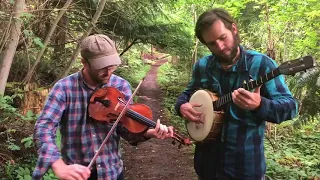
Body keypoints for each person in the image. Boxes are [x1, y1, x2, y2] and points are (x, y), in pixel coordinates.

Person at [175, 8, 298, 180]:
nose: (220, 47)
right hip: (207, 165)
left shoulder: (262, 64)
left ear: (234, 29)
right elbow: (186, 94)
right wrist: (182, 106)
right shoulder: (202, 66)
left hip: (246, 168)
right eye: (211, 43)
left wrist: (260, 105)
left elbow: (291, 107)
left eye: (222, 37)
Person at [32, 34, 174, 180]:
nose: (108, 72)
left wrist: (148, 133)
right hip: (78, 174)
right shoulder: (64, 88)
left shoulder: (120, 86)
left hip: (112, 172)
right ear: (84, 63)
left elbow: (124, 130)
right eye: (101, 67)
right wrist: (58, 165)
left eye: (111, 66)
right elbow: (43, 127)